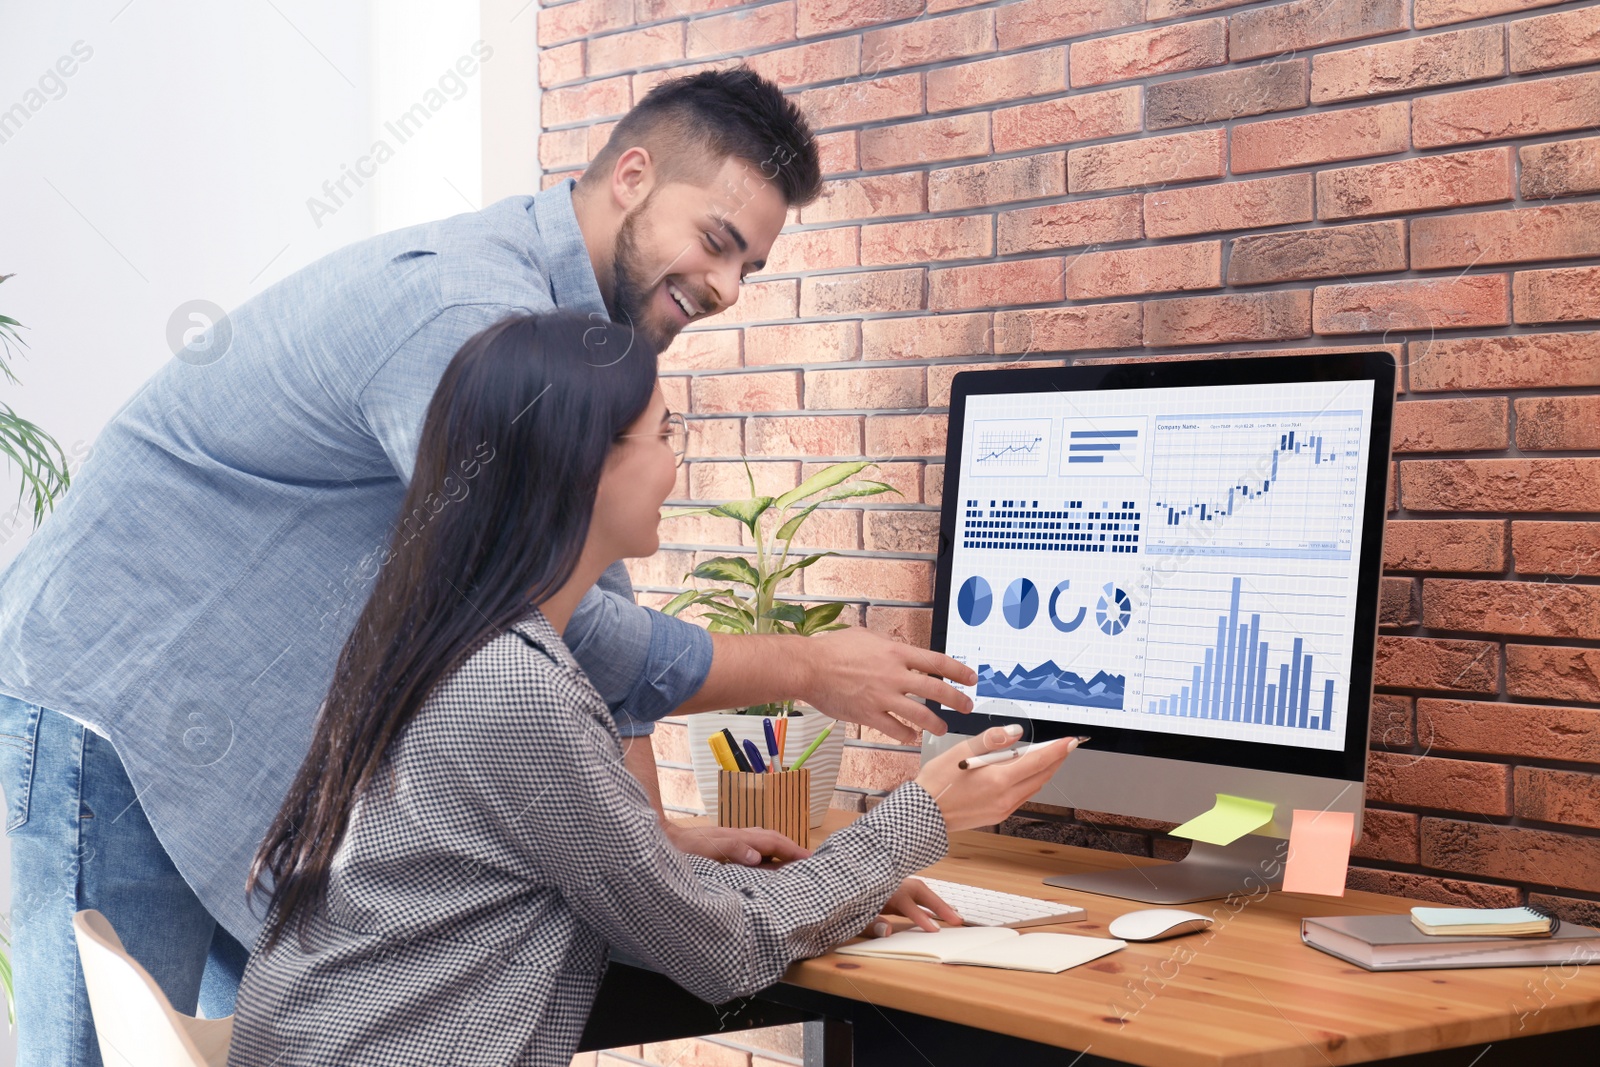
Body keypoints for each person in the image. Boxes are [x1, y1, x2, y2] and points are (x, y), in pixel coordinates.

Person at [0, 67, 976, 1066]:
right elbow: (572, 629)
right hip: (115, 702)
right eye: (718, 241)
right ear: (631, 175)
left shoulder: (565, 354)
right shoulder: (466, 309)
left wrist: (637, 841)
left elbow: (575, 596)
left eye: (750, 267)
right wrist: (809, 672)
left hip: (237, 743)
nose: (725, 287)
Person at [227, 311, 1075, 1066]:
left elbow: (624, 886)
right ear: (584, 463)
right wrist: (920, 814)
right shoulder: (513, 691)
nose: (676, 462)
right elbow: (725, 952)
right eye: (665, 434)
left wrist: (832, 885)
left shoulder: (445, 638)